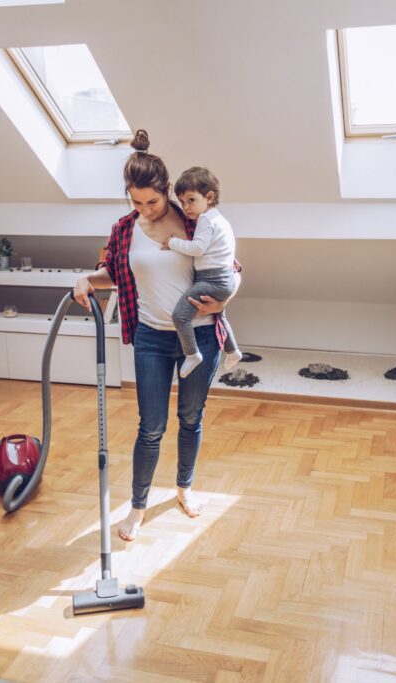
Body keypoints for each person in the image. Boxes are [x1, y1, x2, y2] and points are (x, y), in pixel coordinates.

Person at [72, 129, 239, 541]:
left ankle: (184, 488)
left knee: (190, 418)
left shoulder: (193, 220)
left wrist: (222, 303)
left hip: (198, 337)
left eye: (152, 201)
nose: (145, 209)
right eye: (136, 202)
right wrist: (84, 278)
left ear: (168, 191)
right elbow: (113, 273)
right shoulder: (124, 230)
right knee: (151, 426)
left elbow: (230, 269)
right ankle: (138, 507)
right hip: (150, 337)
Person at [162, 167, 242, 378]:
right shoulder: (222, 221)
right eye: (182, 202)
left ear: (209, 197)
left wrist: (172, 242)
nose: (186, 207)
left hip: (211, 279)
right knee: (219, 314)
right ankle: (233, 351)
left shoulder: (206, 220)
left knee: (179, 316)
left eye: (191, 200)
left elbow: (197, 248)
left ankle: (192, 354)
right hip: (225, 279)